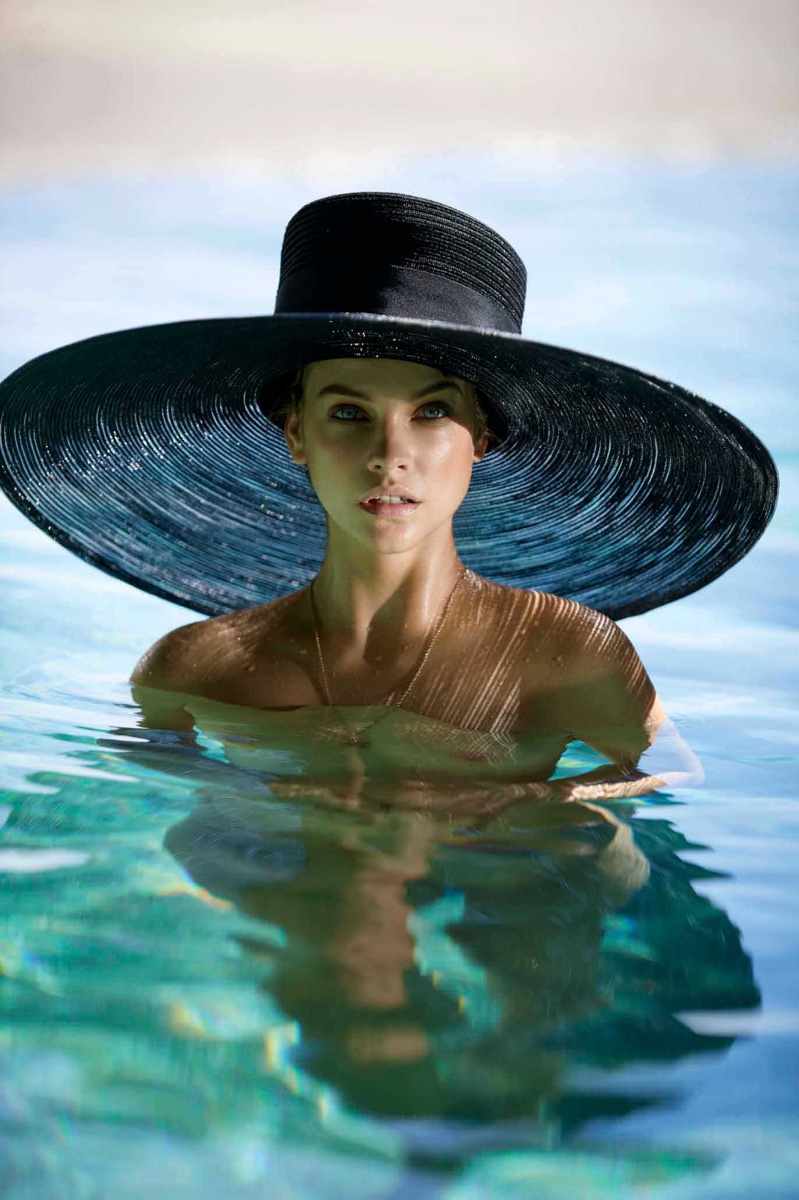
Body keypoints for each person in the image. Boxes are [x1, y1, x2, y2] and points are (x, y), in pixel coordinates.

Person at [0, 191, 776, 803]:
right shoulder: (193, 670)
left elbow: (670, 773)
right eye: (348, 413)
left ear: (484, 436)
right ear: (295, 433)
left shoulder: (565, 653)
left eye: (432, 412)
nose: (389, 457)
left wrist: (521, 809)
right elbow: (118, 816)